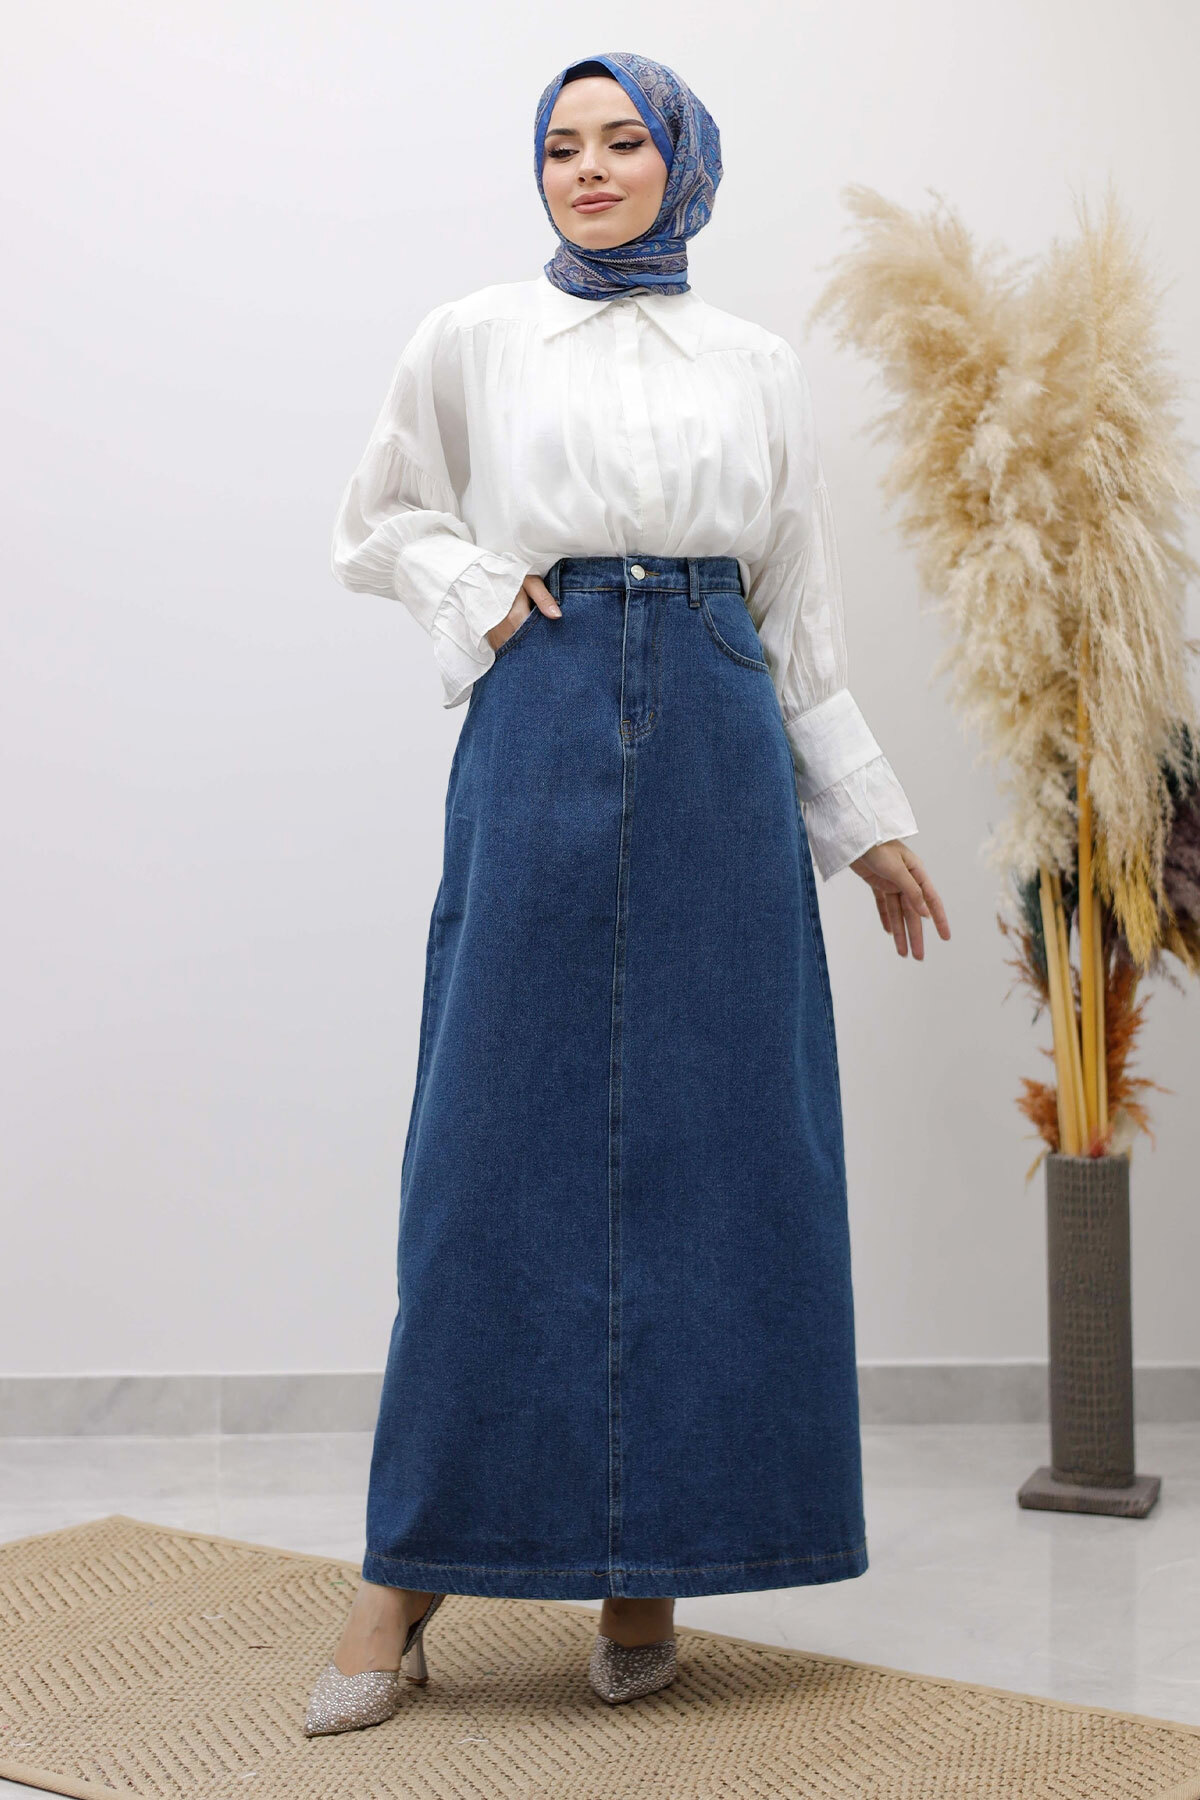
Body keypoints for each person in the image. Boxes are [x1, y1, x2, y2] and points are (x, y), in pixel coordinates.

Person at [304, 49, 951, 1734]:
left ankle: (645, 1571)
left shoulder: (756, 363)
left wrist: (869, 820)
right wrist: (477, 585)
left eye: (620, 142)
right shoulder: (474, 336)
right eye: (559, 146)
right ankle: (402, 1580)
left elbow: (795, 607)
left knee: (715, 1145)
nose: (587, 168)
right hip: (542, 707)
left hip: (724, 732)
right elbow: (377, 516)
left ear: (682, 164)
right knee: (487, 1140)